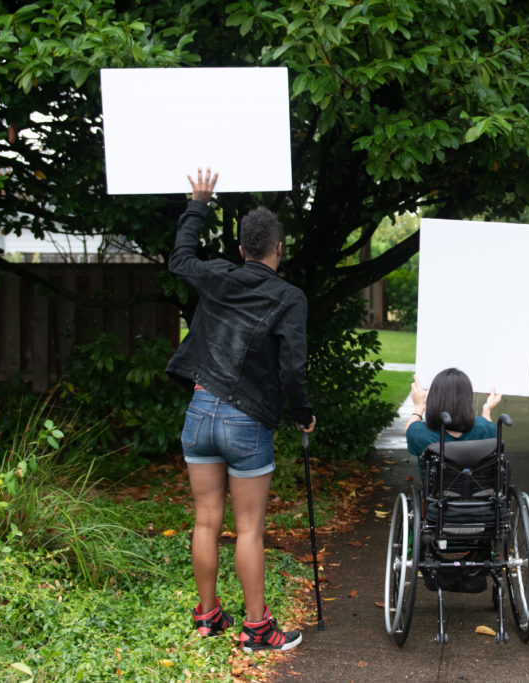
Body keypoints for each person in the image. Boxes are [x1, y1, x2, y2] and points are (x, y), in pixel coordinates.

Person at [165, 167, 315, 652]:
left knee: (206, 521)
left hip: (199, 410)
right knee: (248, 527)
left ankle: (207, 616)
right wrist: (302, 412)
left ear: (240, 249)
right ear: (278, 249)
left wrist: (200, 203)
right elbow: (293, 367)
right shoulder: (289, 297)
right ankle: (257, 629)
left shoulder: (218, 276)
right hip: (246, 423)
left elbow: (180, 258)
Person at [405, 368, 502, 471]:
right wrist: (487, 409)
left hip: (438, 487)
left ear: (434, 399)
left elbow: (409, 430)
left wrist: (419, 406)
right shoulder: (484, 427)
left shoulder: (420, 433)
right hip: (477, 487)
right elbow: (487, 426)